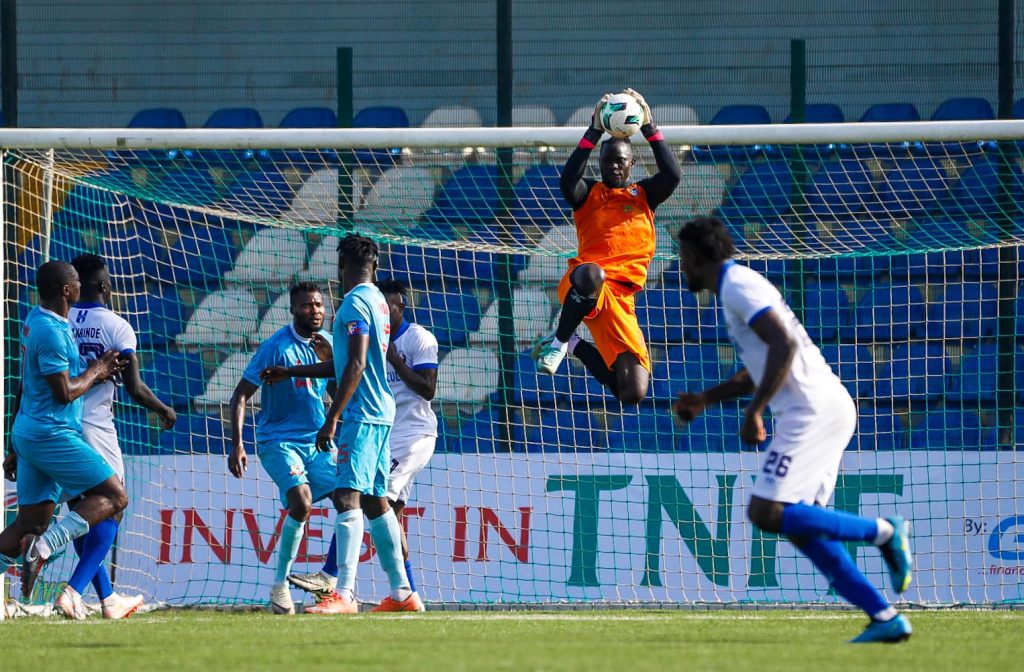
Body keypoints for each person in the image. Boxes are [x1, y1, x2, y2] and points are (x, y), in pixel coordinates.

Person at [672, 216, 914, 644]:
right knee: (800, 527)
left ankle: (886, 532)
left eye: (681, 259)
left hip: (812, 410)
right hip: (818, 408)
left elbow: (784, 345)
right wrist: (708, 398)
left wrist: (755, 412)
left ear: (692, 257)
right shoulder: (736, 285)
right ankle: (884, 616)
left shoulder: (737, 286)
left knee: (765, 511)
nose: (680, 269)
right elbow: (762, 364)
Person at [261, 234, 417, 614]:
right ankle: (403, 593)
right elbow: (348, 360)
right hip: (383, 410)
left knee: (347, 496)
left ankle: (344, 594)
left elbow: (356, 364)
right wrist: (292, 371)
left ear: (340, 267)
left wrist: (332, 418)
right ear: (374, 266)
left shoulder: (353, 304)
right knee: (376, 501)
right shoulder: (380, 301)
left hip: (362, 413)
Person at [288, 279, 437, 611]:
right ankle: (405, 593)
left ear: (399, 308)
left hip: (412, 434)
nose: (388, 311)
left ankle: (337, 582)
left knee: (355, 496)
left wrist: (396, 361)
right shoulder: (369, 336)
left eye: (395, 306)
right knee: (378, 505)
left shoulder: (418, 338)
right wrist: (313, 368)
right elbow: (347, 379)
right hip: (384, 425)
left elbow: (428, 390)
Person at [532, 88, 681, 404]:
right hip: (585, 284)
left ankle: (573, 344)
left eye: (620, 161)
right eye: (607, 160)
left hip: (622, 300)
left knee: (632, 391)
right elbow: (567, 182)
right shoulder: (589, 195)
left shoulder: (644, 196)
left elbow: (672, 174)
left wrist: (649, 127)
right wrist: (594, 130)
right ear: (599, 162)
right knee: (593, 274)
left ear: (632, 163)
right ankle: (557, 343)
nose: (613, 166)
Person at [50, 254, 177, 619]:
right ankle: (73, 591)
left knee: (80, 511)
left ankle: (107, 600)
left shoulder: (59, 320)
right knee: (114, 505)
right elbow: (135, 388)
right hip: (96, 426)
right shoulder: (117, 326)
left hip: (61, 426)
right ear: (105, 286)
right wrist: (164, 410)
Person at [0, 261, 129, 605]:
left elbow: (25, 386)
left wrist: (15, 443)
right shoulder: (52, 333)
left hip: (31, 432)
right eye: (74, 284)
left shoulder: (36, 319)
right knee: (115, 496)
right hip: (51, 434)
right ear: (65, 291)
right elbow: (64, 392)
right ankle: (45, 550)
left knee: (31, 522)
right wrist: (98, 370)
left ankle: (40, 544)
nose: (79, 289)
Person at [227, 281, 338, 615]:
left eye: (319, 305)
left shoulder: (329, 344)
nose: (315, 311)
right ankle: (280, 587)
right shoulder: (275, 347)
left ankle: (332, 584)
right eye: (307, 305)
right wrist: (237, 444)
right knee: (301, 503)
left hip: (318, 441)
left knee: (352, 498)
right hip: (279, 440)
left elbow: (337, 389)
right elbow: (240, 395)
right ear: (293, 309)